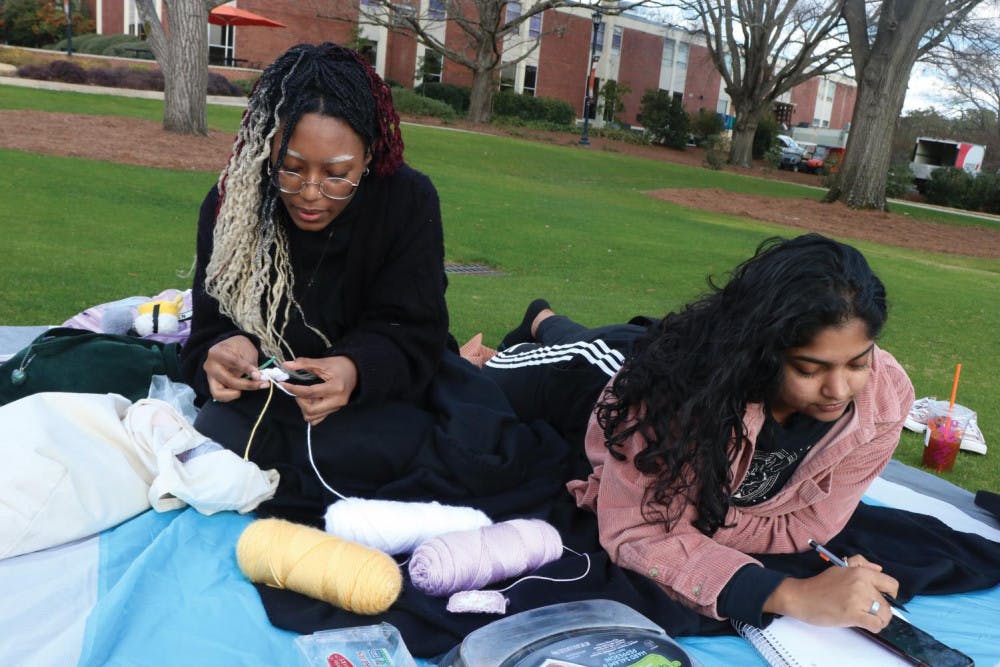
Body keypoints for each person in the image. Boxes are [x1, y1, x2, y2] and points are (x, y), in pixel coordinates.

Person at [481, 234, 915, 633]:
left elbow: (809, 526)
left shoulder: (886, 399)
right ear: (762, 352)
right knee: (487, 378)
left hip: (673, 352)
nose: (838, 390)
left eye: (857, 363)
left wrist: (687, 527)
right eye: (808, 369)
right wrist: (785, 593)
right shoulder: (664, 400)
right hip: (601, 378)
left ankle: (547, 319)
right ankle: (537, 323)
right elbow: (638, 531)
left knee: (592, 337)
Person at [179, 43, 451, 517]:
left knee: (407, 453)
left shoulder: (408, 202)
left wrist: (354, 369)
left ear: (368, 156)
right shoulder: (232, 205)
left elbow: (414, 331)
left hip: (372, 405)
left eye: (337, 174)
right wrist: (220, 351)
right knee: (215, 440)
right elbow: (206, 330)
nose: (310, 194)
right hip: (264, 406)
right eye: (291, 167)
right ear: (269, 148)